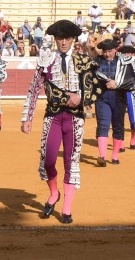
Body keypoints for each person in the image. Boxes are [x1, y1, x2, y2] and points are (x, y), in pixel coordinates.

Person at [21, 20, 97, 225]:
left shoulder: (83, 60)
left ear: (73, 40)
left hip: (74, 118)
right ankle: (54, 193)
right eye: (60, 39)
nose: (63, 42)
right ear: (55, 40)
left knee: (71, 161)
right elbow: (34, 88)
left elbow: (91, 86)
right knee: (48, 159)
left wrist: (82, 99)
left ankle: (66, 208)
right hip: (53, 116)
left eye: (67, 39)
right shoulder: (46, 60)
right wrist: (27, 118)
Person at [92, 39, 135, 166]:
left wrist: (117, 83)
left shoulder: (124, 61)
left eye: (109, 51)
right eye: (104, 51)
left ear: (115, 50)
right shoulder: (97, 61)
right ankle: (102, 157)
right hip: (102, 97)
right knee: (103, 125)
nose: (107, 54)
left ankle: (114, 155)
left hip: (119, 97)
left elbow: (134, 79)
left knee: (118, 126)